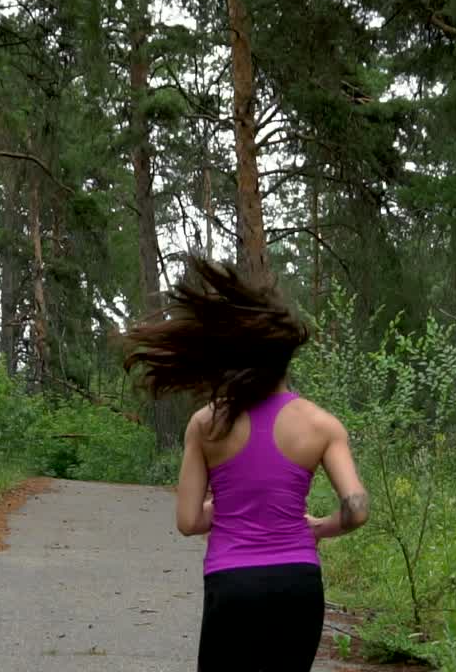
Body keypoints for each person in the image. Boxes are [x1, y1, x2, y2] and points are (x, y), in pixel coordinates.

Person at [122, 256, 369, 672]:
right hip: (298, 582)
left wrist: (233, 507)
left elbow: (187, 520)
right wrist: (321, 527)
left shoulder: (207, 422)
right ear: (285, 357)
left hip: (233, 584)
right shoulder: (321, 425)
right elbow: (357, 509)